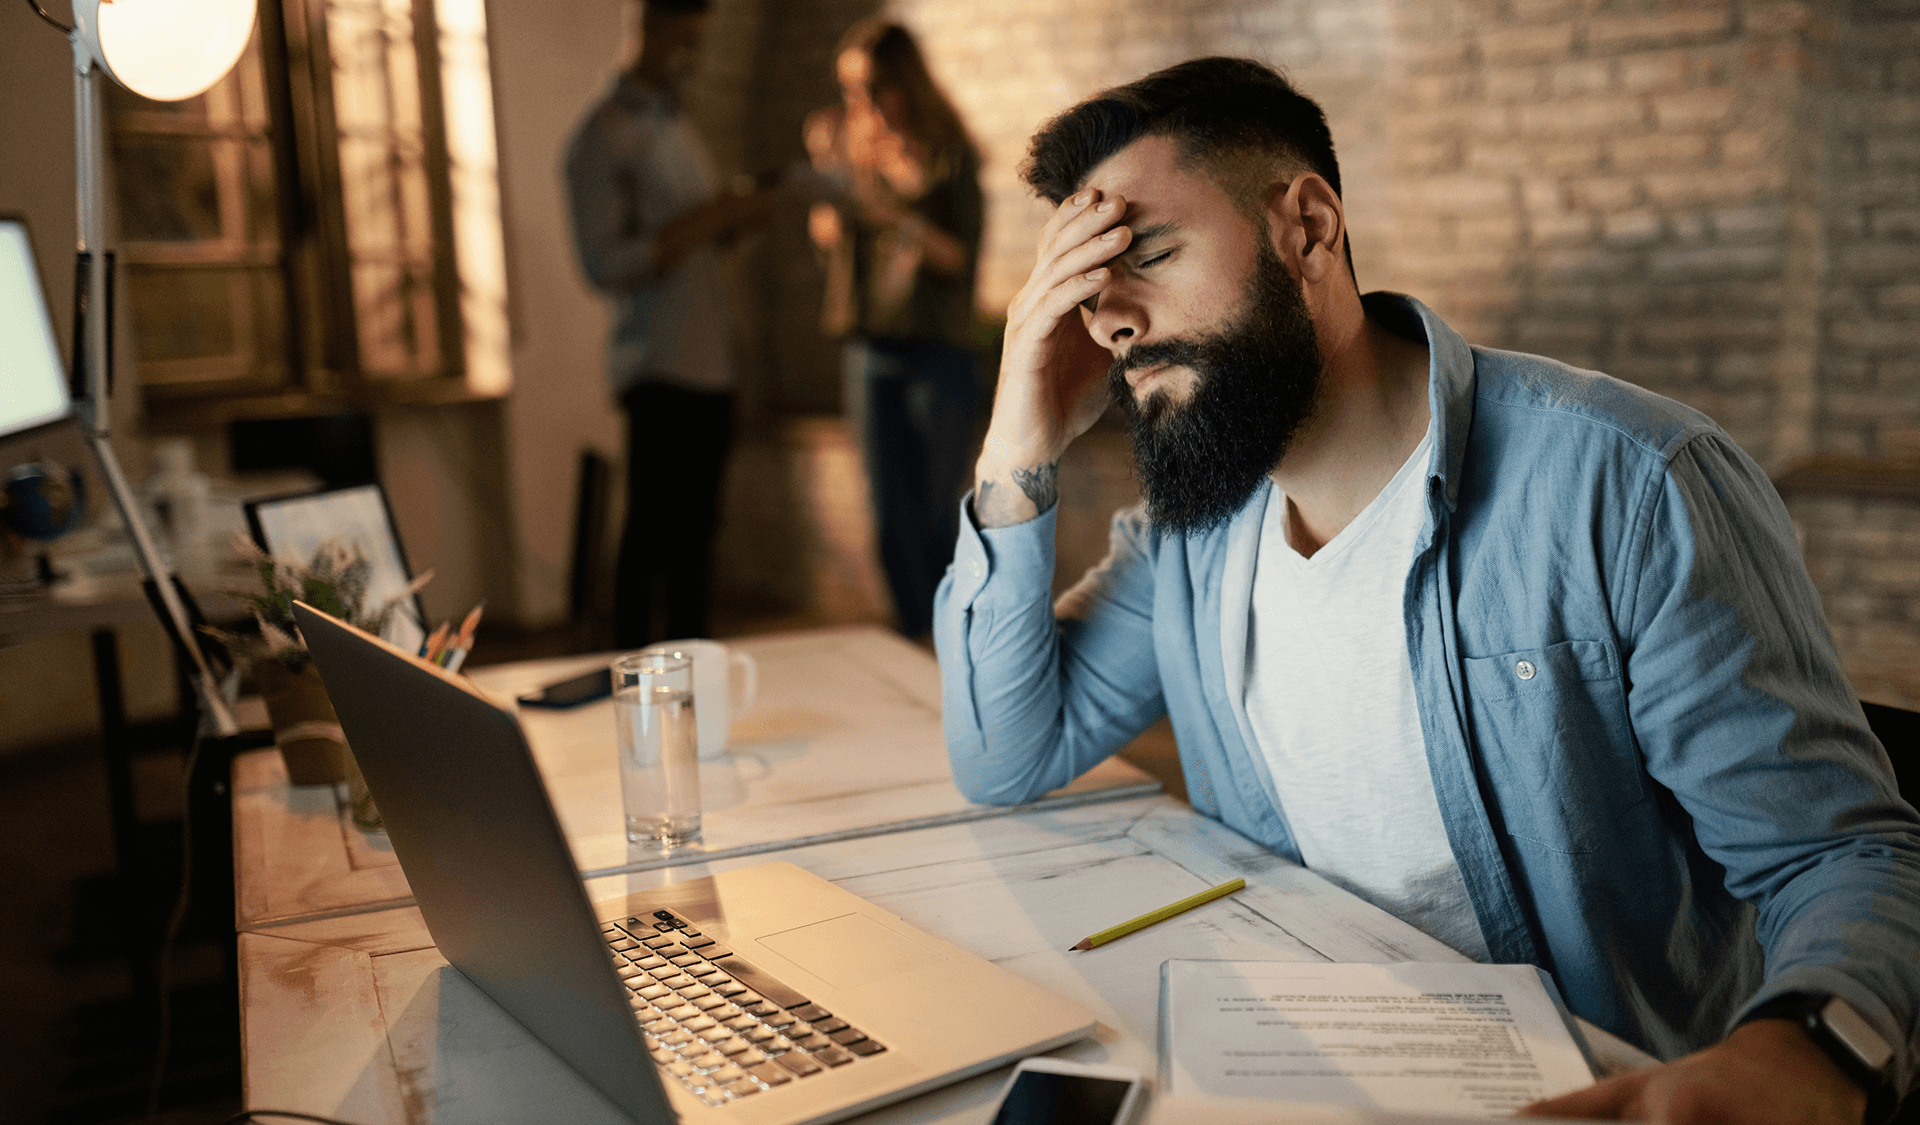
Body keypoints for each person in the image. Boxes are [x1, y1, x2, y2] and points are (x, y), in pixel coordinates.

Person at [935, 57, 1920, 1123]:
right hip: (1293, 1074)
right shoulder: (1192, 537)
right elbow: (1007, 752)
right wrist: (1013, 441)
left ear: (1306, 229)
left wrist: (1811, 1057)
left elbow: (1842, 854)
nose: (1110, 322)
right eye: (1085, 293)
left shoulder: (1629, 484)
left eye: (1147, 256)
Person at [564, 0, 774, 648]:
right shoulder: (599, 139)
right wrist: (711, 218)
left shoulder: (677, 125)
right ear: (647, 30)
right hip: (658, 364)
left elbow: (696, 242)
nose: (693, 58)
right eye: (685, 41)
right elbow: (606, 264)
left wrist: (732, 223)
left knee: (697, 539)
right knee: (653, 533)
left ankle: (697, 679)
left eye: (701, 43)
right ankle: (634, 681)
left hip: (712, 358)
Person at [805, 21, 984, 639]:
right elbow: (828, 243)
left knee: (938, 514)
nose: (864, 103)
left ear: (906, 82)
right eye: (852, 89)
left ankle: (956, 642)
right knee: (888, 516)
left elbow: (961, 258)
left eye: (876, 86)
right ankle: (912, 642)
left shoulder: (949, 153)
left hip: (939, 351)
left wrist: (888, 216)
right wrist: (829, 184)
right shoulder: (853, 158)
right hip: (870, 348)